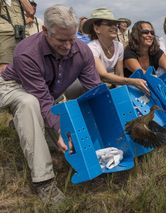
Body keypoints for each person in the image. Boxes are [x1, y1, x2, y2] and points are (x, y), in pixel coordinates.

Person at [0, 4, 101, 205]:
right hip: (12, 86)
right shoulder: (27, 52)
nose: (68, 46)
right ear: (45, 31)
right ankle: (43, 181)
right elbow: (43, 100)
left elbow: (95, 90)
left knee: (57, 135)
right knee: (29, 104)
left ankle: (28, 126)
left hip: (48, 90)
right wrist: (62, 128)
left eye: (72, 39)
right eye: (62, 40)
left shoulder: (82, 51)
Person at [82, 8, 149, 94]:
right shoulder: (91, 48)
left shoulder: (119, 46)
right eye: (109, 24)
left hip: (104, 88)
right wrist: (133, 81)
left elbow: (119, 75)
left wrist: (122, 94)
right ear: (97, 28)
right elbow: (103, 76)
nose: (114, 27)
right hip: (88, 90)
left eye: (115, 24)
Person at [0, 0, 34, 73]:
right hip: (6, 35)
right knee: (5, 67)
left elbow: (31, 11)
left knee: (23, 63)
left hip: (20, 34)